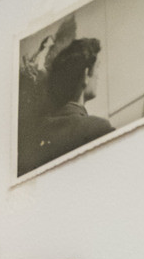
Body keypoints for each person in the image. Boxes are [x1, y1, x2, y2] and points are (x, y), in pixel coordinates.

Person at [32, 35, 112, 168]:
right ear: (86, 75)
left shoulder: (37, 134)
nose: (98, 76)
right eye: (97, 68)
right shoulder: (97, 129)